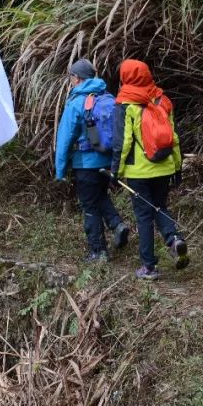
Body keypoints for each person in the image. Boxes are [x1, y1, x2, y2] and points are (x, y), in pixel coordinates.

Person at [109, 59, 187, 279]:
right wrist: (177, 167)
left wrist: (116, 171)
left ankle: (149, 267)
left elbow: (122, 142)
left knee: (143, 216)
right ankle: (173, 239)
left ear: (126, 77)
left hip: (138, 172)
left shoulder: (125, 104)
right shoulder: (163, 100)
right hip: (164, 167)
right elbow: (175, 138)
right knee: (159, 205)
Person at [54, 58, 130, 262]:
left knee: (89, 206)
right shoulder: (107, 97)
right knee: (100, 195)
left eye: (71, 76)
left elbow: (64, 139)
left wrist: (60, 170)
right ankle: (117, 224)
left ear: (76, 78)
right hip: (106, 161)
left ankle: (98, 251)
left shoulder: (76, 102)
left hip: (85, 164)